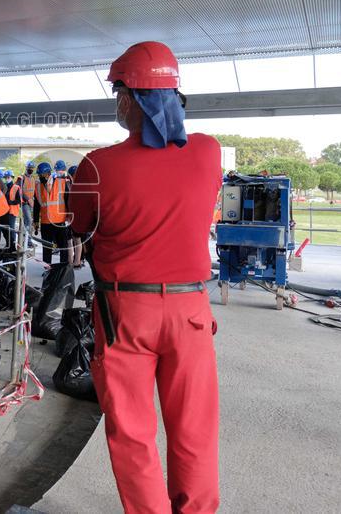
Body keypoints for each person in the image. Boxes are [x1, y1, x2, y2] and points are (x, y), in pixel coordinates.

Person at [70, 41, 222, 514]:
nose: (116, 102)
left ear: (132, 99)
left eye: (118, 92)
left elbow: (80, 235)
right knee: (194, 429)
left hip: (125, 314)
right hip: (191, 311)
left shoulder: (98, 165)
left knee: (133, 433)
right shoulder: (208, 152)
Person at [33, 161, 70, 264]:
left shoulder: (61, 183)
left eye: (41, 174)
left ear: (47, 173)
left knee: (63, 246)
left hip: (60, 220)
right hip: (46, 222)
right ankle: (47, 267)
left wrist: (69, 215)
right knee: (47, 247)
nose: (40, 176)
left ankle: (63, 267)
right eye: (39, 174)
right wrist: (35, 221)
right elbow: (37, 206)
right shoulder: (38, 187)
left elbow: (68, 200)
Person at [66, 164, 84, 268]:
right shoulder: (77, 185)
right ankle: (73, 262)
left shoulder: (75, 186)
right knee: (73, 240)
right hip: (73, 216)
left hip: (73, 216)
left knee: (74, 240)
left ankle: (74, 262)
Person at [2, 168, 21, 250]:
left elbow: (19, 200)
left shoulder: (16, 187)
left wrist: (10, 202)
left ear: (12, 178)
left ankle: (12, 246)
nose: (7, 179)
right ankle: (8, 244)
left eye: (8, 177)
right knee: (6, 229)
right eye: (6, 177)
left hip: (12, 211)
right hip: (4, 212)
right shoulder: (4, 187)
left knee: (11, 229)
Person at [20, 160, 38, 239]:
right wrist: (28, 200)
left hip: (32, 203)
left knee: (29, 222)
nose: (31, 169)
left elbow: (34, 191)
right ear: (26, 168)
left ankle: (27, 240)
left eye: (32, 168)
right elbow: (20, 191)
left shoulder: (33, 178)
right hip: (25, 203)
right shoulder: (22, 178)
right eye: (29, 168)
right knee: (29, 221)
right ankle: (28, 240)